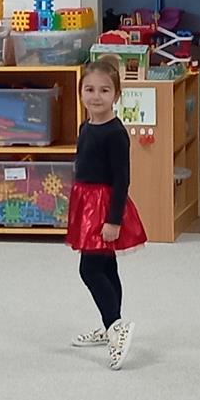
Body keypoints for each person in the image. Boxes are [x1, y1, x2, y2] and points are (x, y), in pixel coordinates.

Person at [66, 60, 146, 368]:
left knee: (89, 270)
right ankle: (111, 321)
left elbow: (122, 179)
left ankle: (116, 326)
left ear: (117, 95)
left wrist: (113, 220)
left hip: (103, 208)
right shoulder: (85, 127)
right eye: (89, 89)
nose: (96, 96)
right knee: (107, 267)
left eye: (104, 90)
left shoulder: (115, 133)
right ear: (80, 92)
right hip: (86, 204)